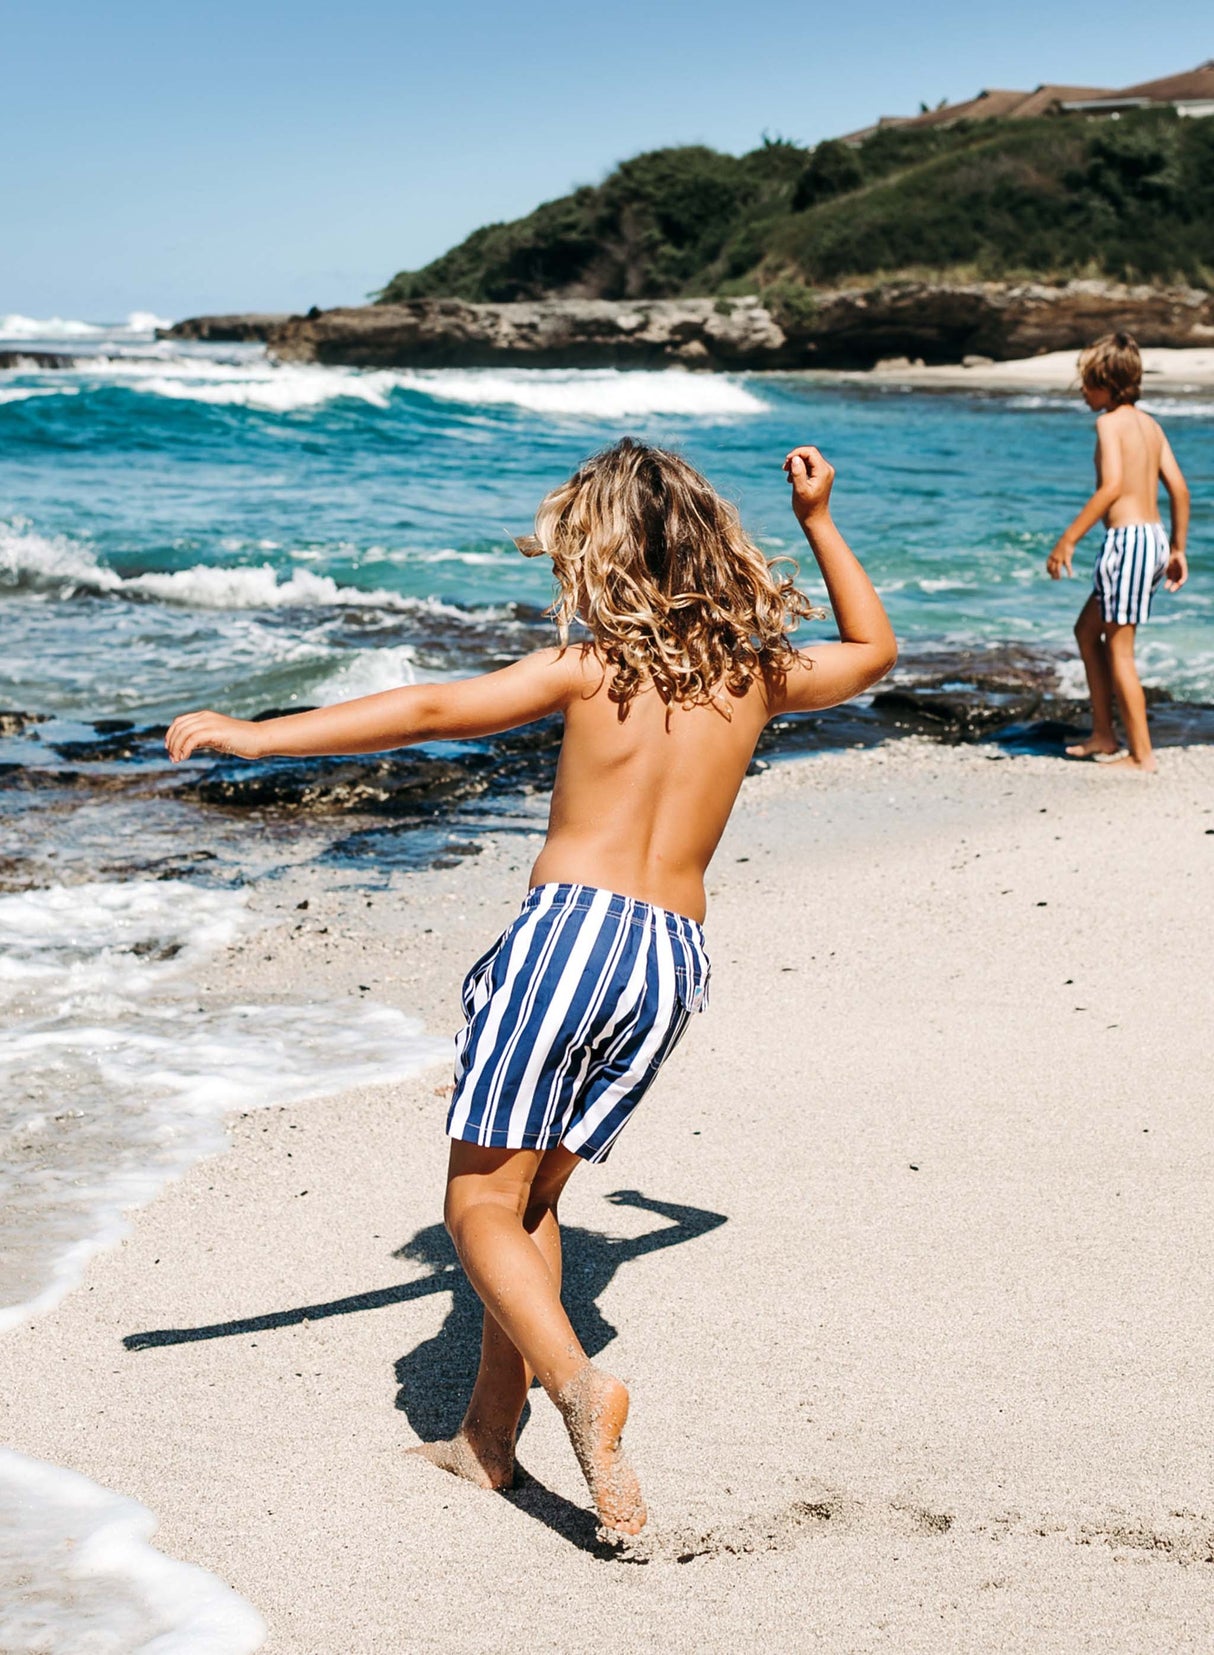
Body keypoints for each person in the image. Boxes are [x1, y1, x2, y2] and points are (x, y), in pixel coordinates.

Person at [166, 437, 896, 1536]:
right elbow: (874, 649)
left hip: (569, 937)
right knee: (537, 1202)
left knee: (472, 1205)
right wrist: (820, 518)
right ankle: (486, 1439)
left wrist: (260, 733)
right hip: (666, 960)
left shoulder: (591, 664)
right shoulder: (756, 672)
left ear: (600, 550)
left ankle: (577, 1386)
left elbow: (424, 711)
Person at [1047, 332, 1190, 771]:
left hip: (1127, 543)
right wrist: (1178, 548)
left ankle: (1141, 755)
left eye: (1086, 384)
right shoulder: (1151, 425)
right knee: (1087, 632)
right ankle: (1104, 735)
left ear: (1105, 383)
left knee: (1120, 648)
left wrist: (1068, 539)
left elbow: (1111, 488)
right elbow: (1181, 491)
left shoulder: (1109, 424)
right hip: (1154, 541)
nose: (1083, 393)